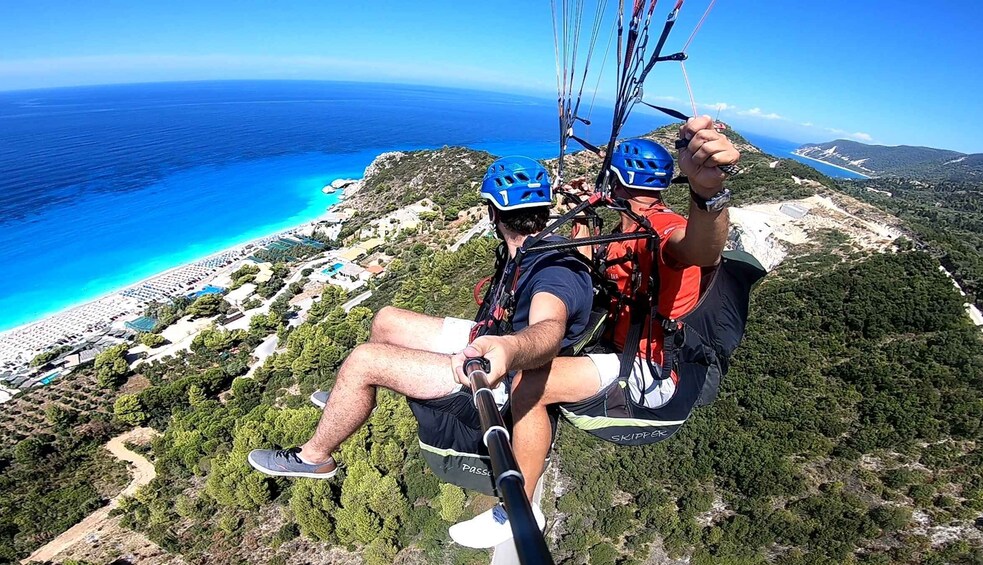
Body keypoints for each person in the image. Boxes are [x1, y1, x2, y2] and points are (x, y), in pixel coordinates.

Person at [247, 156, 594, 539]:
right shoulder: (534, 246)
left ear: (492, 212)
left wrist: (509, 349)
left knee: (363, 361)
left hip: (499, 371)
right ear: (544, 211)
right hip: (494, 334)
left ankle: (314, 457)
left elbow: (549, 328)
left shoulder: (552, 273)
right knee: (386, 320)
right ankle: (348, 401)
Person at [448, 115, 739, 548]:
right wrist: (581, 215)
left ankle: (518, 510)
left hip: (650, 369)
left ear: (616, 181)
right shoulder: (626, 227)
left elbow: (699, 248)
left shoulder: (662, 227)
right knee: (533, 369)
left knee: (532, 385)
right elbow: (587, 265)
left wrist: (708, 195)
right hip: (620, 351)